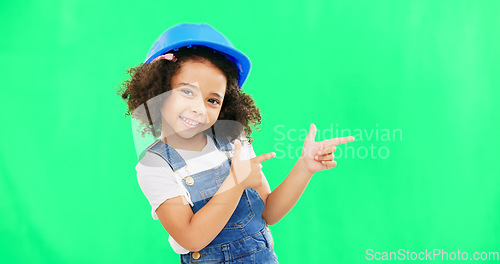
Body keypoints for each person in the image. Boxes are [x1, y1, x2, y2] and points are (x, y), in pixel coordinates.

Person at [118, 23, 355, 263]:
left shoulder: (233, 141)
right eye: (187, 92)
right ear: (157, 90)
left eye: (212, 100)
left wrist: (305, 167)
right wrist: (235, 182)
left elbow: (268, 212)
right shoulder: (155, 165)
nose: (199, 108)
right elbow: (192, 238)